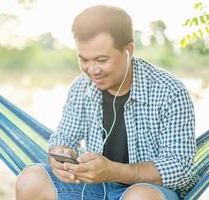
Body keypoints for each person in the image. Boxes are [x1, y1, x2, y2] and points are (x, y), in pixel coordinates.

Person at [16, 5, 196, 200]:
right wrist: (58, 157)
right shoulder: (81, 87)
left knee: (139, 197)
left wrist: (113, 171)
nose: (92, 70)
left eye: (101, 60)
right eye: (84, 59)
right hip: (94, 187)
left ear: (128, 50)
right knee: (30, 180)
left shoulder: (169, 91)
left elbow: (179, 168)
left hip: (149, 189)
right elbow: (62, 138)